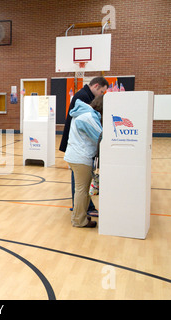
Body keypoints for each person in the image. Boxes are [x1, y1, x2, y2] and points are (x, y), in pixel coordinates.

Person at [59, 76, 108, 216]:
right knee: (81, 184)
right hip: (79, 148)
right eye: (102, 92)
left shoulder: (82, 96)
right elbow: (94, 132)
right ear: (96, 86)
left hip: (75, 147)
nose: (101, 95)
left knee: (80, 182)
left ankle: (81, 207)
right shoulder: (84, 98)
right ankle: (81, 209)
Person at [64, 95, 103, 228]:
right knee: (82, 190)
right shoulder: (89, 116)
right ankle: (79, 221)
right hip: (81, 157)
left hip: (75, 155)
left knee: (81, 189)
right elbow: (101, 137)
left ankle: (80, 216)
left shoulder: (82, 113)